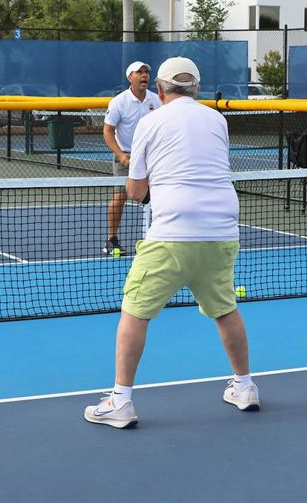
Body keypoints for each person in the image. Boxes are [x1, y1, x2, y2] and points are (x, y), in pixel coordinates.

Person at [84, 57, 258, 428]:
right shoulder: (218, 119)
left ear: (159, 90)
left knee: (134, 310)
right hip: (222, 228)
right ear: (196, 89)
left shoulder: (150, 121)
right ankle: (244, 386)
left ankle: (120, 401)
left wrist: (149, 191)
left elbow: (134, 190)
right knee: (225, 307)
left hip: (174, 232)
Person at [102, 60, 161, 255]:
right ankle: (111, 240)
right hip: (126, 155)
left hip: (152, 156)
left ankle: (159, 238)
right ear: (130, 78)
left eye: (146, 72)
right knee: (120, 196)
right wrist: (120, 155)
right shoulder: (119, 102)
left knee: (161, 195)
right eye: (139, 72)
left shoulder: (156, 99)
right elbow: (108, 131)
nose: (144, 75)